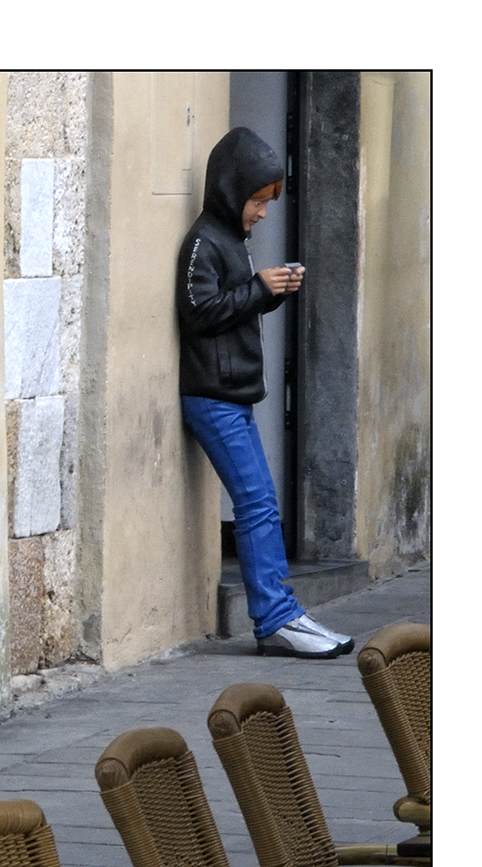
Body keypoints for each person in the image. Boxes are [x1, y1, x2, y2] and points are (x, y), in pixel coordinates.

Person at [176, 127, 354, 659]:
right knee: (256, 504)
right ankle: (276, 619)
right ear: (232, 191)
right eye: (257, 200)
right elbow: (197, 312)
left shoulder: (229, 241)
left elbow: (226, 310)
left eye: (268, 201)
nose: (262, 212)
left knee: (262, 504)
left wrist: (268, 293)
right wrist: (259, 289)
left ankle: (284, 614)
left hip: (232, 395)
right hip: (213, 398)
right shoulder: (205, 242)